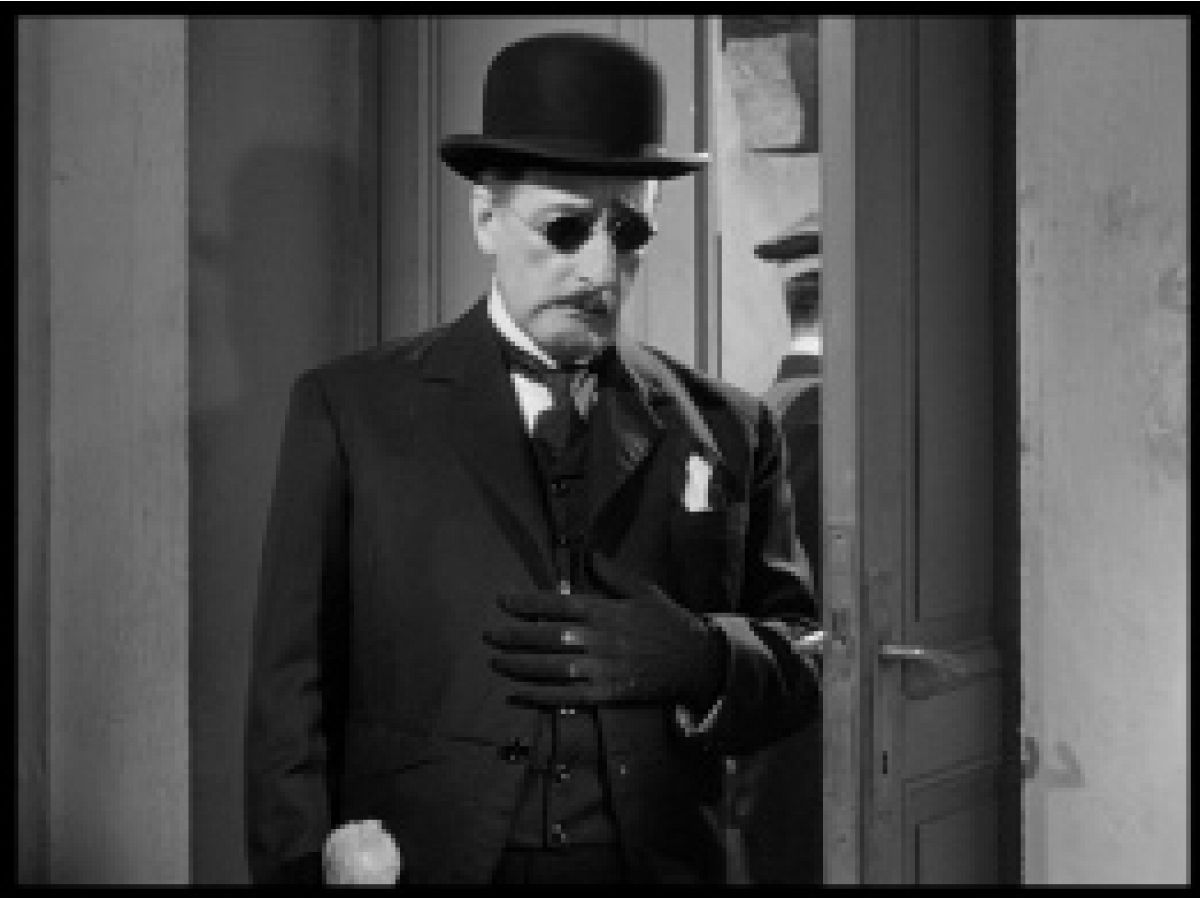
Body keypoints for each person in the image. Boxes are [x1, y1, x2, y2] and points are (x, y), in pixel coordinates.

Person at [244, 31, 821, 886]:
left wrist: (706, 656)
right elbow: (289, 689)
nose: (600, 269)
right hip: (429, 867)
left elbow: (803, 657)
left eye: (628, 232)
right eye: (565, 227)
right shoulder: (352, 411)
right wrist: (301, 872)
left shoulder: (731, 428)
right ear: (486, 217)